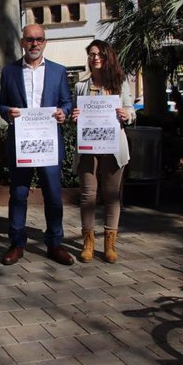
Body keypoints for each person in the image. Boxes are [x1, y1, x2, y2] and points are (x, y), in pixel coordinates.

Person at [0, 24, 74, 266]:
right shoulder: (9, 72)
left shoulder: (58, 71)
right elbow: (1, 104)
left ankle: (54, 243)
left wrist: (64, 112)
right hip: (22, 142)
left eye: (39, 39)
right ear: (22, 42)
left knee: (53, 196)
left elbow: (67, 102)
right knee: (18, 194)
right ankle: (17, 243)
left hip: (49, 142)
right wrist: (7, 112)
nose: (34, 44)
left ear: (45, 42)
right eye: (30, 39)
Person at [71, 39, 135, 263]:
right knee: (88, 195)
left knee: (112, 195)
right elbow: (74, 114)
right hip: (88, 147)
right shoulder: (81, 86)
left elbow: (130, 109)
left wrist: (126, 115)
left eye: (99, 54)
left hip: (113, 146)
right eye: (91, 54)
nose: (95, 58)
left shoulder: (120, 83)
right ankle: (88, 243)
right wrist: (75, 116)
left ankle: (110, 243)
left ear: (108, 57)